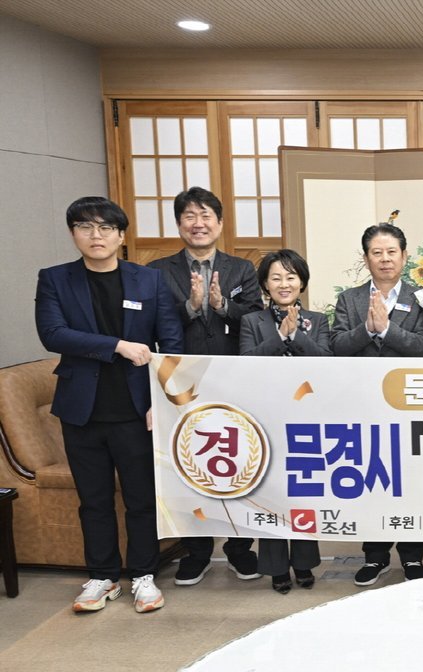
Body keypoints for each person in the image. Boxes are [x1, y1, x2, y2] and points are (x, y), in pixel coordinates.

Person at [35, 197, 184, 613]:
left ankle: (143, 575)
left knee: (142, 498)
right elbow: (53, 334)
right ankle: (102, 576)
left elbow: (171, 342)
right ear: (73, 234)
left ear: (121, 236)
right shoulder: (55, 279)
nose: (95, 235)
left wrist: (162, 401)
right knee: (94, 499)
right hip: (82, 409)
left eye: (106, 228)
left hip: (137, 410)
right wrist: (117, 345)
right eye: (85, 227)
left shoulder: (148, 280)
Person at [148, 187, 263, 586]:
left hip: (232, 378)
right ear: (179, 224)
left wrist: (221, 307)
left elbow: (254, 318)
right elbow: (153, 323)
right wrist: (191, 308)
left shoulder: (241, 269)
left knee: (238, 461)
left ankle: (239, 550)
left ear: (220, 223)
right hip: (181, 381)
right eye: (189, 217)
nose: (198, 224)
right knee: (188, 463)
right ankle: (195, 552)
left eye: (206, 216)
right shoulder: (158, 271)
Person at [332, 222, 423, 586]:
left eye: (392, 252)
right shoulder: (350, 299)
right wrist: (368, 329)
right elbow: (337, 345)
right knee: (371, 480)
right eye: (377, 253)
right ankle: (374, 556)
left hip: (408, 405)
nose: (385, 259)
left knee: (410, 480)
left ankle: (412, 555)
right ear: (366, 259)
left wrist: (388, 330)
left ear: (404, 257)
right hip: (363, 404)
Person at [239, 249, 330, 593]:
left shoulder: (318, 320)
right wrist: (278, 338)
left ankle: (304, 562)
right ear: (265, 284)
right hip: (266, 417)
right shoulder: (252, 321)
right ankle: (276, 567)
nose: (284, 284)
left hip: (306, 417)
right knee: (272, 492)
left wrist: (296, 336)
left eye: (291, 277)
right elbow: (245, 363)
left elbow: (328, 362)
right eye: (275, 277)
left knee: (303, 491)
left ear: (302, 282)